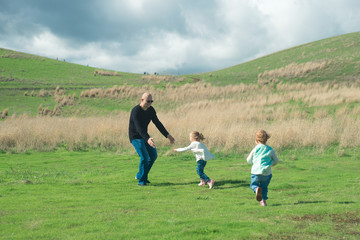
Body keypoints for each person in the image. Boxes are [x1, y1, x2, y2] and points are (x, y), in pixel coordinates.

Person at [129, 92, 175, 186]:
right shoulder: (135, 111)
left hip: (145, 136)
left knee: (153, 155)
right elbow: (139, 128)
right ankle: (142, 181)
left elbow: (157, 123)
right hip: (135, 137)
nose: (149, 103)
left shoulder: (151, 110)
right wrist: (148, 139)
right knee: (144, 157)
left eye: (151, 101)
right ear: (142, 100)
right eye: (148, 101)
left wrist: (167, 135)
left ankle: (140, 175)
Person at [246, 130, 279, 206]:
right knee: (264, 187)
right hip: (267, 173)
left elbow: (248, 160)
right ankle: (263, 201)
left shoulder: (255, 149)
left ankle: (256, 189)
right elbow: (276, 160)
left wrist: (253, 163)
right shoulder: (270, 149)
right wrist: (271, 165)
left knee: (253, 185)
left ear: (256, 140)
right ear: (266, 139)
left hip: (256, 172)